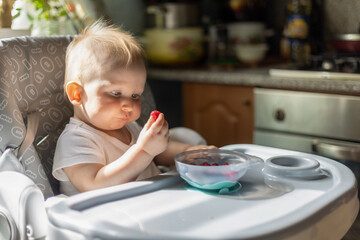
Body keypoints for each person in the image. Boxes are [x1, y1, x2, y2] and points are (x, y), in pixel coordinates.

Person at [52, 20, 216, 196]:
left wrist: (189, 153)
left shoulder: (129, 128)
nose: (129, 105)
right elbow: (95, 184)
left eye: (135, 95)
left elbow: (159, 152)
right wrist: (144, 150)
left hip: (148, 205)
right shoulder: (76, 139)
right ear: (77, 93)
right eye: (115, 93)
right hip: (104, 217)